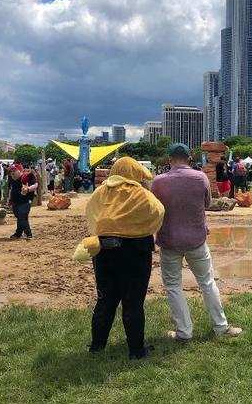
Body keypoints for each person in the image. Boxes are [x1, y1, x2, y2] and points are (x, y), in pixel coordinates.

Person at [152, 144, 242, 341]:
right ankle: (221, 327)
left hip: (169, 240)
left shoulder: (158, 182)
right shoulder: (200, 177)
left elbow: (154, 209)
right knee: (207, 283)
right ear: (189, 159)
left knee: (173, 286)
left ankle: (184, 332)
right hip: (196, 239)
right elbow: (207, 204)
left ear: (169, 159)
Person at [85, 157, 164, 359]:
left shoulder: (100, 192)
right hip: (135, 251)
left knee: (105, 299)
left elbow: (91, 215)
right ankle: (136, 350)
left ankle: (97, 346)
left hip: (103, 250)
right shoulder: (141, 193)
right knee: (133, 301)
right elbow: (158, 213)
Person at [8, 164, 38, 239]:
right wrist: (9, 200)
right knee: (19, 216)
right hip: (15, 201)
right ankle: (18, 233)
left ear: (19, 171)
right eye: (11, 171)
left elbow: (35, 184)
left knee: (22, 216)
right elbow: (11, 189)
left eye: (14, 170)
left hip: (25, 201)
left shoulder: (26, 176)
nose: (12, 173)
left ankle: (28, 234)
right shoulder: (11, 179)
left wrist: (28, 189)